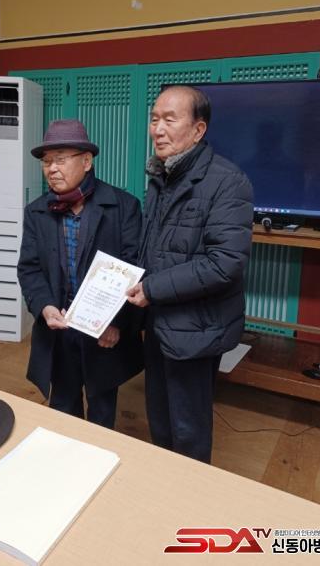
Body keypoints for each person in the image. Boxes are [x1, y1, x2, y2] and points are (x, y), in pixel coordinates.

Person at [126, 85, 253, 463]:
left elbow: (225, 263)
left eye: (169, 119)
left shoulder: (228, 181)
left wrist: (152, 288)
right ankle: (167, 486)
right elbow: (154, 247)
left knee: (189, 430)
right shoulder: (161, 177)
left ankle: (192, 495)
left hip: (197, 328)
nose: (157, 129)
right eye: (154, 119)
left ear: (198, 130)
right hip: (159, 320)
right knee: (159, 418)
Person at [18, 119, 143, 428]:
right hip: (59, 328)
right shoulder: (36, 211)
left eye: (60, 159)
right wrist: (45, 307)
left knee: (102, 410)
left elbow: (135, 269)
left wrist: (116, 322)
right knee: (63, 408)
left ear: (86, 162)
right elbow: (29, 268)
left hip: (103, 332)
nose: (51, 169)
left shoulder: (123, 207)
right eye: (46, 161)